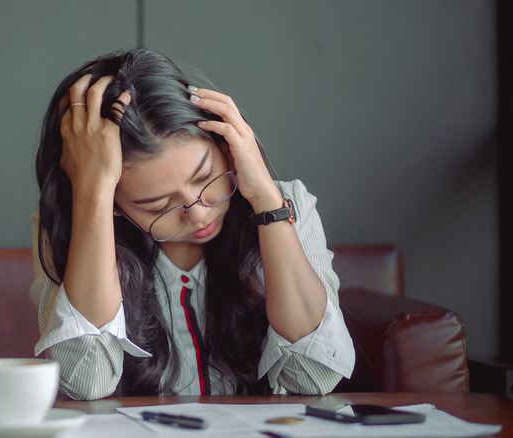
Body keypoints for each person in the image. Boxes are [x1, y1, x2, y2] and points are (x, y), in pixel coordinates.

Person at [30, 48, 354, 400]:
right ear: (114, 205)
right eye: (159, 205)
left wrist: (267, 206)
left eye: (206, 177)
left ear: (225, 144)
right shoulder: (73, 225)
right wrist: (92, 193)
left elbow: (314, 378)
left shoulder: (286, 205)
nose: (198, 214)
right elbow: (87, 382)